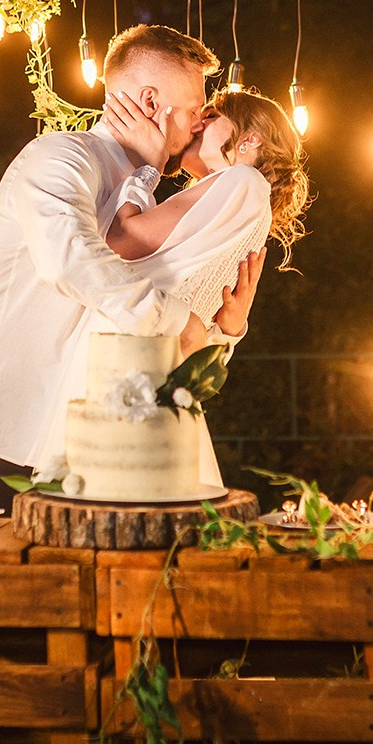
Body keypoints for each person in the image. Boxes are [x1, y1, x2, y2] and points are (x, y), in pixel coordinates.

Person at [0, 23, 226, 511]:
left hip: (83, 446)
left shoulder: (144, 194)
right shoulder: (59, 156)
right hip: (5, 432)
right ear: (152, 102)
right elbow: (70, 262)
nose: (199, 125)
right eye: (195, 110)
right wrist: (178, 323)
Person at [96, 84, 311, 487]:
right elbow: (196, 333)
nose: (196, 125)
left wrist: (149, 166)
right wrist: (230, 330)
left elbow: (121, 242)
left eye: (210, 118)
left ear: (250, 139)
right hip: (155, 381)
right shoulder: (239, 197)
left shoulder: (243, 181)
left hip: (126, 362)